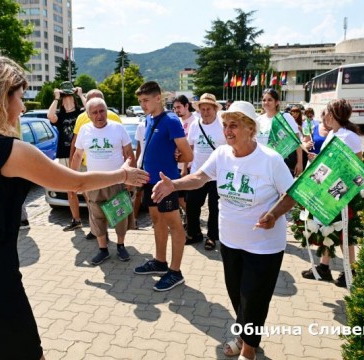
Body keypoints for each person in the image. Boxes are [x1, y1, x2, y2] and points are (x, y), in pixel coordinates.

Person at [0, 55, 149, 360]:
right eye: (19, 97)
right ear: (0, 98)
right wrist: (123, 174)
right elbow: (75, 183)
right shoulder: (8, 151)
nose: (23, 107)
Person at [151, 101, 296, 360]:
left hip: (264, 245)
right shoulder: (222, 154)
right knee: (237, 295)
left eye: (234, 125)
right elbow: (200, 177)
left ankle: (249, 350)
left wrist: (274, 214)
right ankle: (243, 336)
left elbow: (292, 194)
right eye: (226, 125)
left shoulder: (270, 160)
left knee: (254, 298)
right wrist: (173, 184)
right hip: (230, 242)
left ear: (250, 128)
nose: (228, 131)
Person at [133, 81, 193, 292]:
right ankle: (160, 261)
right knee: (157, 220)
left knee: (174, 225)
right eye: (140, 101)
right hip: (150, 182)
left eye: (146, 100)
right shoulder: (149, 119)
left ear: (158, 97)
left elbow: (188, 154)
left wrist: (176, 160)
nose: (143, 105)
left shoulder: (171, 120)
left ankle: (175, 272)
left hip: (166, 184)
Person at [301, 99, 362, 287]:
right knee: (326, 228)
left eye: (326, 112)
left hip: (341, 191)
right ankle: (324, 267)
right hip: (327, 189)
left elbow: (357, 165)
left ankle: (350, 271)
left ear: (334, 114)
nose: (323, 115)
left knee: (344, 232)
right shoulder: (334, 134)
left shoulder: (349, 136)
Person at [71, 98, 135, 264]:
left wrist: (129, 178)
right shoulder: (84, 130)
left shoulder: (118, 128)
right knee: (96, 215)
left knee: (120, 214)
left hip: (116, 180)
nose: (99, 115)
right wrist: (72, 178)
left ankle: (121, 246)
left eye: (102, 111)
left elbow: (129, 153)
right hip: (93, 182)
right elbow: (77, 155)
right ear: (88, 115)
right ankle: (103, 249)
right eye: (95, 112)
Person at [69, 89, 122, 240]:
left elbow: (119, 141)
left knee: (113, 203)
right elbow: (76, 142)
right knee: (92, 203)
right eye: (91, 101)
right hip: (88, 166)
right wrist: (73, 168)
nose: (96, 110)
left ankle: (114, 237)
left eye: (98, 101)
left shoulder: (114, 117)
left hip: (112, 169)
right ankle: (98, 231)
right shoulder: (81, 118)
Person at [184, 93, 226, 249]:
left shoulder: (222, 125)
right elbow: (190, 147)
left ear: (215, 109)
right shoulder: (195, 124)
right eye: (203, 109)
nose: (206, 112)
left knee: (214, 207)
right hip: (197, 172)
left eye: (209, 108)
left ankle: (212, 237)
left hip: (217, 174)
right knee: (192, 204)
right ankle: (194, 233)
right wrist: (185, 169)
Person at [47, 81, 87, 232]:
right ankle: (76, 220)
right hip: (64, 154)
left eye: (69, 96)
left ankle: (93, 221)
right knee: (71, 189)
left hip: (80, 155)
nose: (67, 98)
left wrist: (81, 94)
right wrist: (56, 98)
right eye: (64, 97)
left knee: (86, 188)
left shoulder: (81, 114)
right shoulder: (61, 116)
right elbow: (50, 115)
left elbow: (90, 109)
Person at [256, 88, 304, 177]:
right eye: (264, 100)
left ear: (277, 102)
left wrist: (299, 162)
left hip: (283, 163)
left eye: (270, 100)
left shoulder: (285, 117)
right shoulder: (258, 120)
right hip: (263, 164)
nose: (266, 102)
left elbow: (297, 140)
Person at [172, 95, 199, 229]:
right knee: (179, 197)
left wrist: (184, 168)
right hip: (176, 164)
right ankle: (189, 220)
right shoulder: (176, 121)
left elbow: (192, 146)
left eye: (179, 107)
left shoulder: (196, 121)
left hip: (189, 166)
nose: (177, 110)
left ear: (187, 106)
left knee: (185, 198)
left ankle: (191, 222)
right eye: (175, 108)